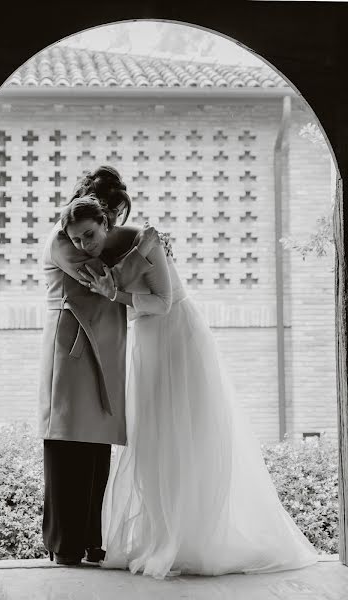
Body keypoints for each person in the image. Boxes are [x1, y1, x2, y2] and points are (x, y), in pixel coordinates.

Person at [76, 177, 319, 580]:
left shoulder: (146, 239)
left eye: (96, 225)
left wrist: (113, 294)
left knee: (184, 434)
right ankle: (163, 535)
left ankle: (191, 539)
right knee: (153, 436)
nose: (90, 239)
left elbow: (164, 301)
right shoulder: (107, 249)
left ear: (108, 215)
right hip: (149, 343)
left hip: (176, 338)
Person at [38, 166, 160, 566]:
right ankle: (65, 543)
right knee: (68, 441)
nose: (99, 234)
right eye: (106, 215)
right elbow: (100, 281)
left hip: (105, 345)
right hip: (71, 347)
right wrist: (142, 248)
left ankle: (94, 539)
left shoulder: (100, 239)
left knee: (96, 446)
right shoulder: (62, 241)